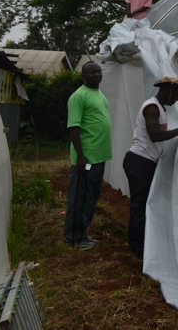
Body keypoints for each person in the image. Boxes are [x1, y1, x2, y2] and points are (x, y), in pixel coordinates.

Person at [122, 76, 178, 259]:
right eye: (177, 95)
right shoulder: (152, 107)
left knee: (143, 204)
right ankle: (137, 249)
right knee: (139, 206)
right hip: (139, 161)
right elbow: (156, 135)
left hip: (145, 162)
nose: (177, 99)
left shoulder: (160, 108)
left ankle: (140, 245)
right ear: (168, 92)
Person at [64, 62, 112, 249]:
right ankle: (74, 238)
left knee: (91, 197)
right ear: (83, 75)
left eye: (98, 71)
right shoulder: (78, 96)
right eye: (91, 72)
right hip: (87, 157)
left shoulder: (99, 94)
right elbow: (73, 127)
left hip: (99, 155)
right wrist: (80, 156)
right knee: (80, 197)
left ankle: (83, 235)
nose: (96, 74)